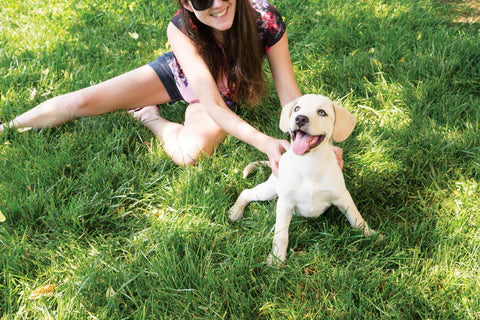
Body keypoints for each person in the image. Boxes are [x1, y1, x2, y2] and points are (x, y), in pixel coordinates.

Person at [0, 0, 343, 173]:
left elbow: (290, 96)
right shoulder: (181, 28)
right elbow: (208, 101)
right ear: (186, 4)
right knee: (83, 101)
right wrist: (265, 142)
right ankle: (7, 127)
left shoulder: (265, 18)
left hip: (226, 93)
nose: (217, 4)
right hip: (181, 77)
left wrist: (317, 142)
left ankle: (152, 119)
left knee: (189, 154)